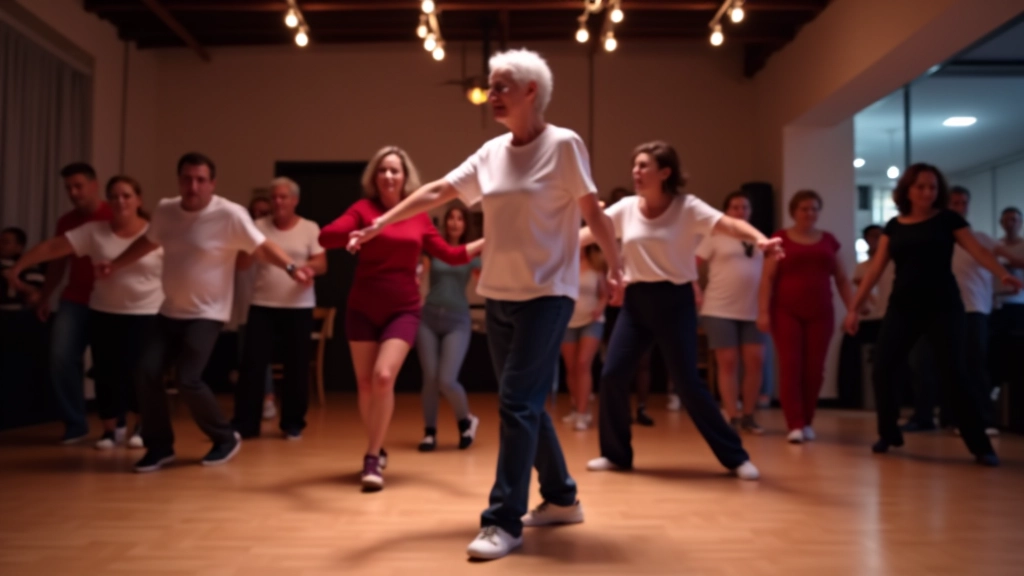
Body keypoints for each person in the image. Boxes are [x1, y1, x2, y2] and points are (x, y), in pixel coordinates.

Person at [347, 49, 623, 560]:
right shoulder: (493, 151)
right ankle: (561, 497)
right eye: (491, 86)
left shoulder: (564, 146)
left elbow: (593, 212)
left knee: (516, 403)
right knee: (527, 403)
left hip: (548, 295)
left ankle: (503, 520)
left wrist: (617, 266)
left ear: (530, 92)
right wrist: (382, 223)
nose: (492, 95)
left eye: (501, 86)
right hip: (498, 296)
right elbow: (438, 190)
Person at [96, 153, 313, 473]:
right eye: (186, 178)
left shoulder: (229, 214)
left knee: (188, 378)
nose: (193, 186)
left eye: (200, 180)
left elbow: (261, 245)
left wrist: (291, 266)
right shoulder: (167, 210)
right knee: (145, 372)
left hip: (208, 313)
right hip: (169, 310)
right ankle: (159, 446)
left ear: (212, 183)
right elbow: (148, 241)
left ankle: (225, 438)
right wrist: (115, 264)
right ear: (179, 180)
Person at [581, 140, 778, 480]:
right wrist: (548, 243)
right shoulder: (626, 208)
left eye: (644, 166)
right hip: (637, 302)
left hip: (675, 303)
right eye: (635, 165)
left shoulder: (688, 207)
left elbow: (729, 225)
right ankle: (615, 454)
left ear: (665, 172)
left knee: (689, 384)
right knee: (612, 375)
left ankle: (735, 457)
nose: (636, 172)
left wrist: (760, 239)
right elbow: (589, 233)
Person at [318, 146, 482, 491]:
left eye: (395, 171)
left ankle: (372, 456)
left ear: (406, 178)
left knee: (382, 377)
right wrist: (359, 232)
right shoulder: (363, 210)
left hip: (403, 310)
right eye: (383, 170)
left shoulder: (419, 216)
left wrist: (487, 240)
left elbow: (451, 256)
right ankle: (377, 445)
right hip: (362, 307)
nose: (389, 176)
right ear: (374, 178)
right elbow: (326, 235)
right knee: (365, 385)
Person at [844, 163, 1020, 466]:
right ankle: (889, 433)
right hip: (902, 307)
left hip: (943, 307)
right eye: (921, 186)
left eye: (933, 187)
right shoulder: (895, 226)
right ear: (908, 190)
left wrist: (1002, 274)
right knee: (883, 367)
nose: (927, 192)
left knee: (954, 372)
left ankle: (980, 445)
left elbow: (978, 250)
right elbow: (875, 269)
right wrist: (854, 308)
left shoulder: (948, 220)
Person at [6, 176, 163, 450]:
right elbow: (54, 247)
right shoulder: (94, 231)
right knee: (106, 371)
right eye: (114, 196)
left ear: (138, 200)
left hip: (147, 312)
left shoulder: (155, 233)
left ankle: (142, 425)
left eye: (126, 195)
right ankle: (110, 430)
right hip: (105, 310)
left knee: (140, 372)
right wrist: (19, 266)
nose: (120, 201)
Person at [232, 178, 326, 440]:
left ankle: (293, 423)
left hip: (299, 306)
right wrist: (251, 247)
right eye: (274, 197)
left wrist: (309, 268)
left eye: (283, 197)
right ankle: (245, 424)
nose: (278, 202)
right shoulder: (257, 227)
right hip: (262, 305)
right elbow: (240, 265)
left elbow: (322, 263)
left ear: (294, 200)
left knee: (296, 366)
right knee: (252, 365)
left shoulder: (309, 228)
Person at [758, 190, 852, 444]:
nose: (809, 213)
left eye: (814, 208)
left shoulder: (829, 241)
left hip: (821, 313)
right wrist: (763, 312)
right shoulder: (779, 239)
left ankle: (807, 420)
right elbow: (767, 278)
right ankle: (795, 423)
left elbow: (842, 279)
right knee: (791, 367)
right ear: (794, 212)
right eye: (804, 209)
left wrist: (852, 309)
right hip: (785, 311)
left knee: (814, 370)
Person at [37, 163, 114, 443]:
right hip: (74, 300)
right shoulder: (66, 222)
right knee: (61, 357)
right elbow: (58, 262)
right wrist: (46, 295)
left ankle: (115, 424)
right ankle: (75, 423)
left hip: (109, 302)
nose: (73, 192)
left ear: (94, 185)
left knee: (110, 364)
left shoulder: (112, 214)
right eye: (69, 188)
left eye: (78, 186)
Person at [695, 191, 766, 433]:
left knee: (755, 361)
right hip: (719, 308)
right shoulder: (713, 236)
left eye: (745, 207)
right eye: (735, 207)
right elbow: (691, 265)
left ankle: (749, 415)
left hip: (753, 310)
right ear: (726, 211)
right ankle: (732, 415)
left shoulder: (758, 239)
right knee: (728, 363)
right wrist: (695, 289)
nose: (740, 212)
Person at [415, 205, 481, 452]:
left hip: (457, 321)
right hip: (429, 318)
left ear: (465, 224)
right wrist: (415, 277)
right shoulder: (434, 249)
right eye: (450, 218)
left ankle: (466, 421)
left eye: (459, 219)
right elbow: (420, 272)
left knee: (446, 379)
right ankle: (430, 433)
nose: (454, 223)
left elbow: (483, 279)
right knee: (430, 379)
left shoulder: (471, 253)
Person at [837, 224, 895, 408]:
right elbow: (862, 289)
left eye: (880, 236)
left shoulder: (894, 264)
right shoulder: (862, 267)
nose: (876, 240)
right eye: (872, 236)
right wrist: (856, 309)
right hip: (870, 319)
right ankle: (856, 398)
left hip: (889, 317)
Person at [560, 244, 608, 431]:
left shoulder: (596, 264)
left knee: (582, 364)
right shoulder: (563, 264)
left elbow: (604, 295)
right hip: (568, 321)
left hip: (592, 320)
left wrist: (600, 308)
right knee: (570, 367)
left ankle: (583, 412)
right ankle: (575, 405)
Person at [990, 206, 1024, 411]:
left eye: (1015, 220)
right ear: (1001, 223)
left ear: (1020, 223)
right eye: (1007, 220)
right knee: (995, 352)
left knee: (1016, 353)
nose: (1010, 223)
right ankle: (996, 391)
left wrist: (1008, 262)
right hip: (996, 304)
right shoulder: (995, 245)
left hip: (1019, 305)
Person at [1, 227, 44, 311]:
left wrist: (15, 280)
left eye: (5, 242)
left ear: (19, 247)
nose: (0, 245)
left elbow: (39, 292)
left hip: (17, 310)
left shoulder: (29, 266)